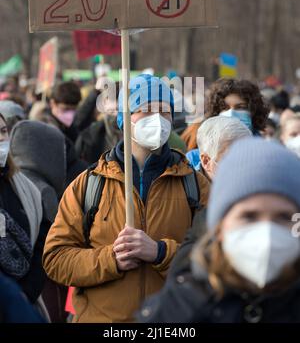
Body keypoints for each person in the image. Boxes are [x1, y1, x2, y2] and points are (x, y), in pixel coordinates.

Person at [43, 74, 206, 323]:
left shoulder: (194, 184)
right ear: (124, 118)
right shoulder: (88, 184)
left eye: (164, 111)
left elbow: (218, 257)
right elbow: (56, 259)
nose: (157, 119)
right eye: (145, 110)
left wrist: (161, 252)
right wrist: (111, 260)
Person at [137, 138, 300, 323]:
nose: (267, 234)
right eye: (249, 216)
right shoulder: (177, 311)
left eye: (284, 217)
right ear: (219, 226)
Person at [168, 116, 252, 280]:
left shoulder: (256, 192)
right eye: (232, 158)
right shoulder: (180, 190)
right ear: (206, 161)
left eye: (247, 155)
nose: (243, 164)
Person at [0, 114, 50, 314]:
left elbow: (44, 242)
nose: (1, 139)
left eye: (3, 131)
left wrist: (25, 292)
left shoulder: (25, 187)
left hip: (24, 303)